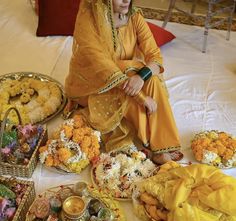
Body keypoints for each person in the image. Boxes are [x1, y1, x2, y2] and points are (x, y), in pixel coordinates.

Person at [64, 0, 183, 164]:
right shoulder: (89, 20)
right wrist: (142, 97)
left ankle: (161, 146)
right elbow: (103, 67)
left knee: (151, 78)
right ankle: (153, 143)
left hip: (127, 76)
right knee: (132, 90)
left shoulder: (134, 16)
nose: (126, 0)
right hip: (92, 84)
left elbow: (155, 57)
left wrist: (141, 77)